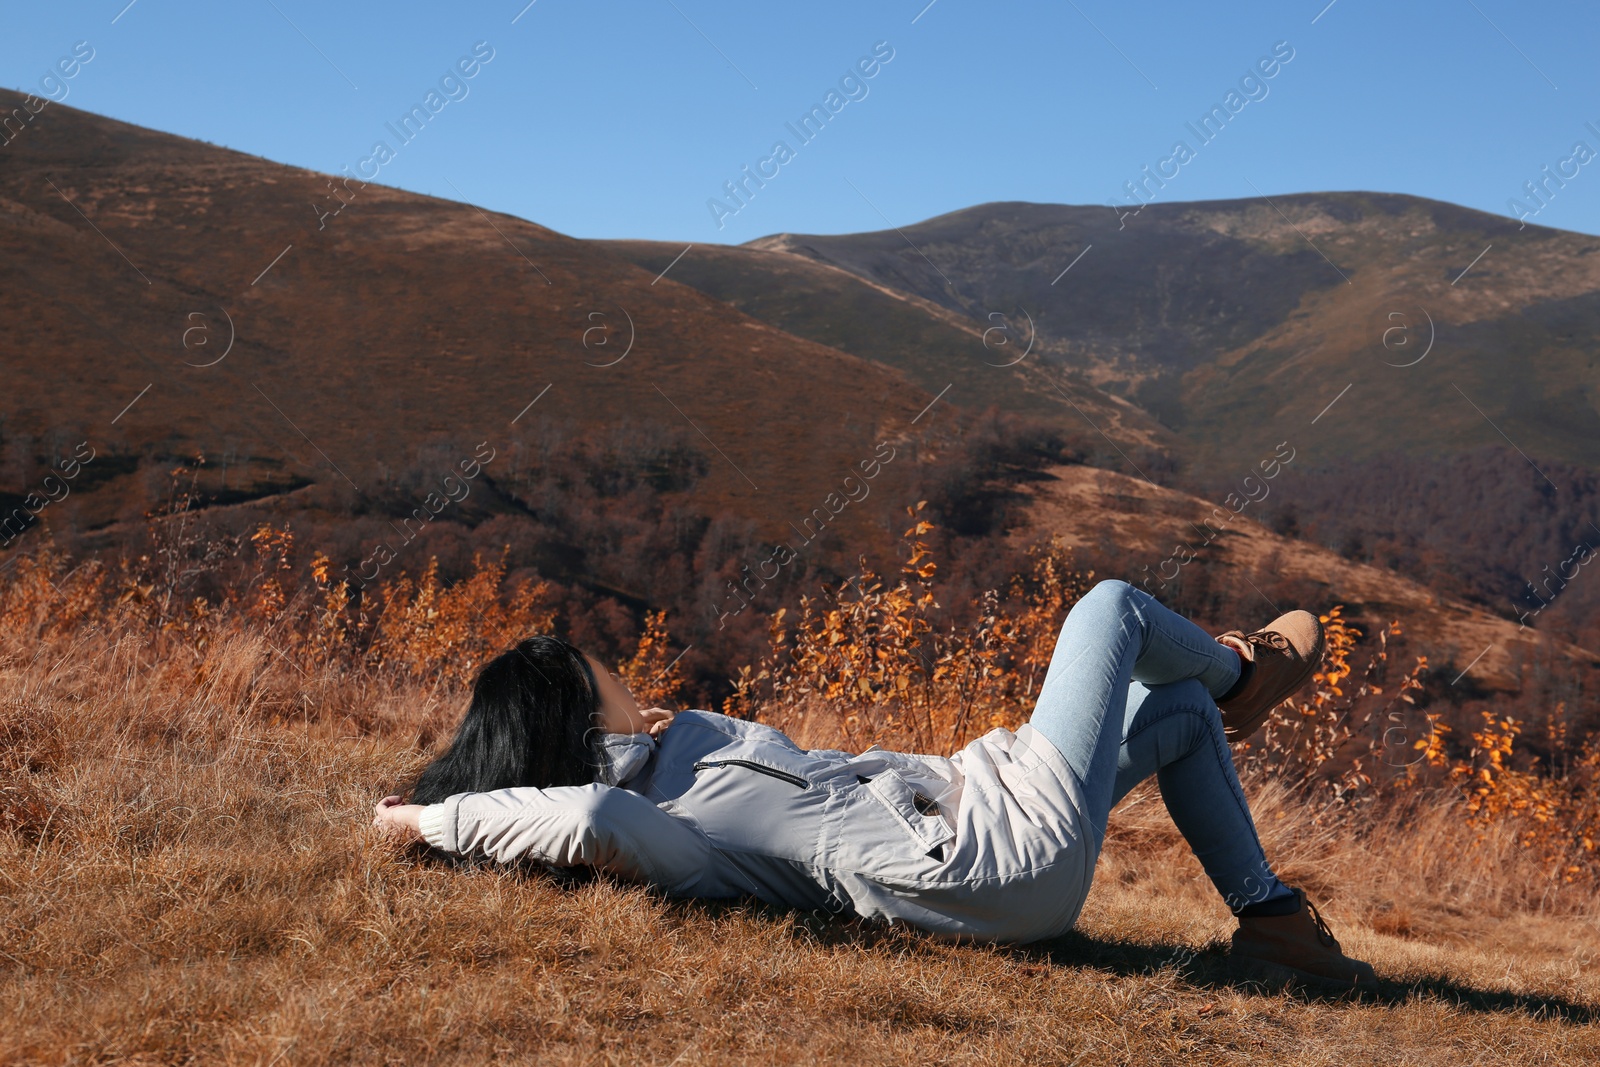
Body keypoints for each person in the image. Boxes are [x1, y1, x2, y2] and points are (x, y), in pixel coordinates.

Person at [372, 578, 1376, 988]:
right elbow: (589, 815)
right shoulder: (662, 821)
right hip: (988, 860)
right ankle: (1245, 671)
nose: (611, 661)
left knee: (1178, 715)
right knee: (1108, 607)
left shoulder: (673, 748)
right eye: (591, 663)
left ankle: (1273, 921)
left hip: (984, 807)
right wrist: (424, 818)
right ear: (575, 706)